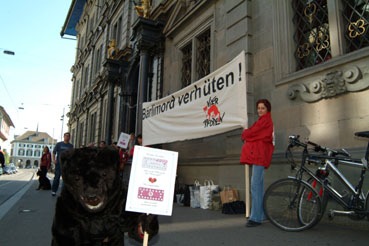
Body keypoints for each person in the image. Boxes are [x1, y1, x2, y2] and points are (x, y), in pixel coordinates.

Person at [240, 99, 274, 227]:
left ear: (267, 109)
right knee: (258, 187)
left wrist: (245, 134)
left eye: (262, 108)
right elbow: (253, 133)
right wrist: (247, 134)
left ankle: (256, 218)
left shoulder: (265, 121)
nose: (260, 110)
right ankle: (260, 215)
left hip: (259, 156)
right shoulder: (263, 120)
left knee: (255, 187)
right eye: (258, 108)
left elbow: (252, 133)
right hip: (259, 156)